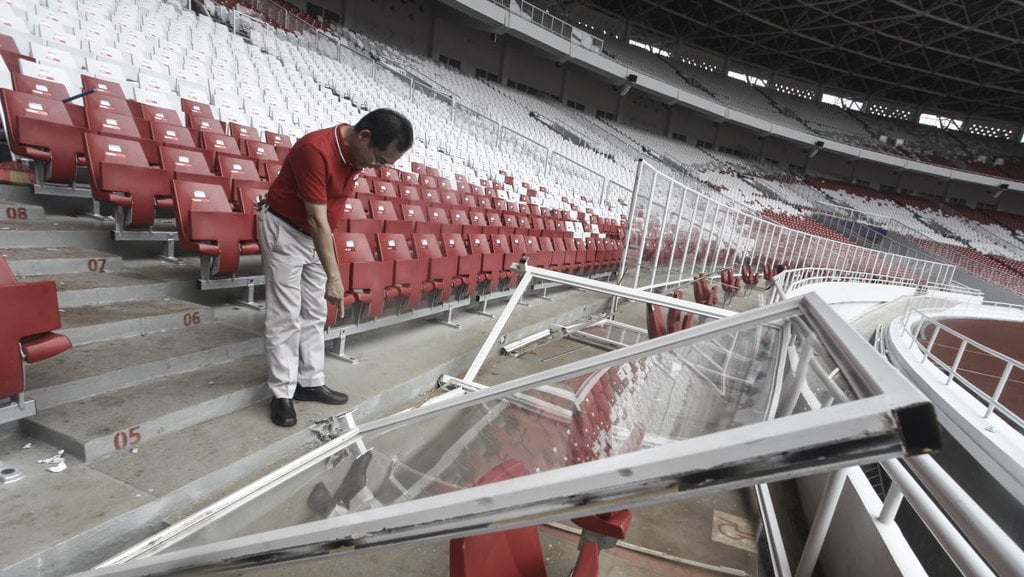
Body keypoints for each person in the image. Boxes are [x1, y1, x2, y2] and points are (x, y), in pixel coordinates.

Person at [258, 109, 413, 427]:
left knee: (314, 312)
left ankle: (310, 383)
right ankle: (282, 393)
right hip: (285, 229)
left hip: (316, 234)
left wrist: (329, 266)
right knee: (285, 315)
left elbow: (324, 218)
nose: (377, 167)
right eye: (380, 159)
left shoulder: (357, 155)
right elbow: (316, 218)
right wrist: (335, 276)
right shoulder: (315, 150)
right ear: (364, 136)